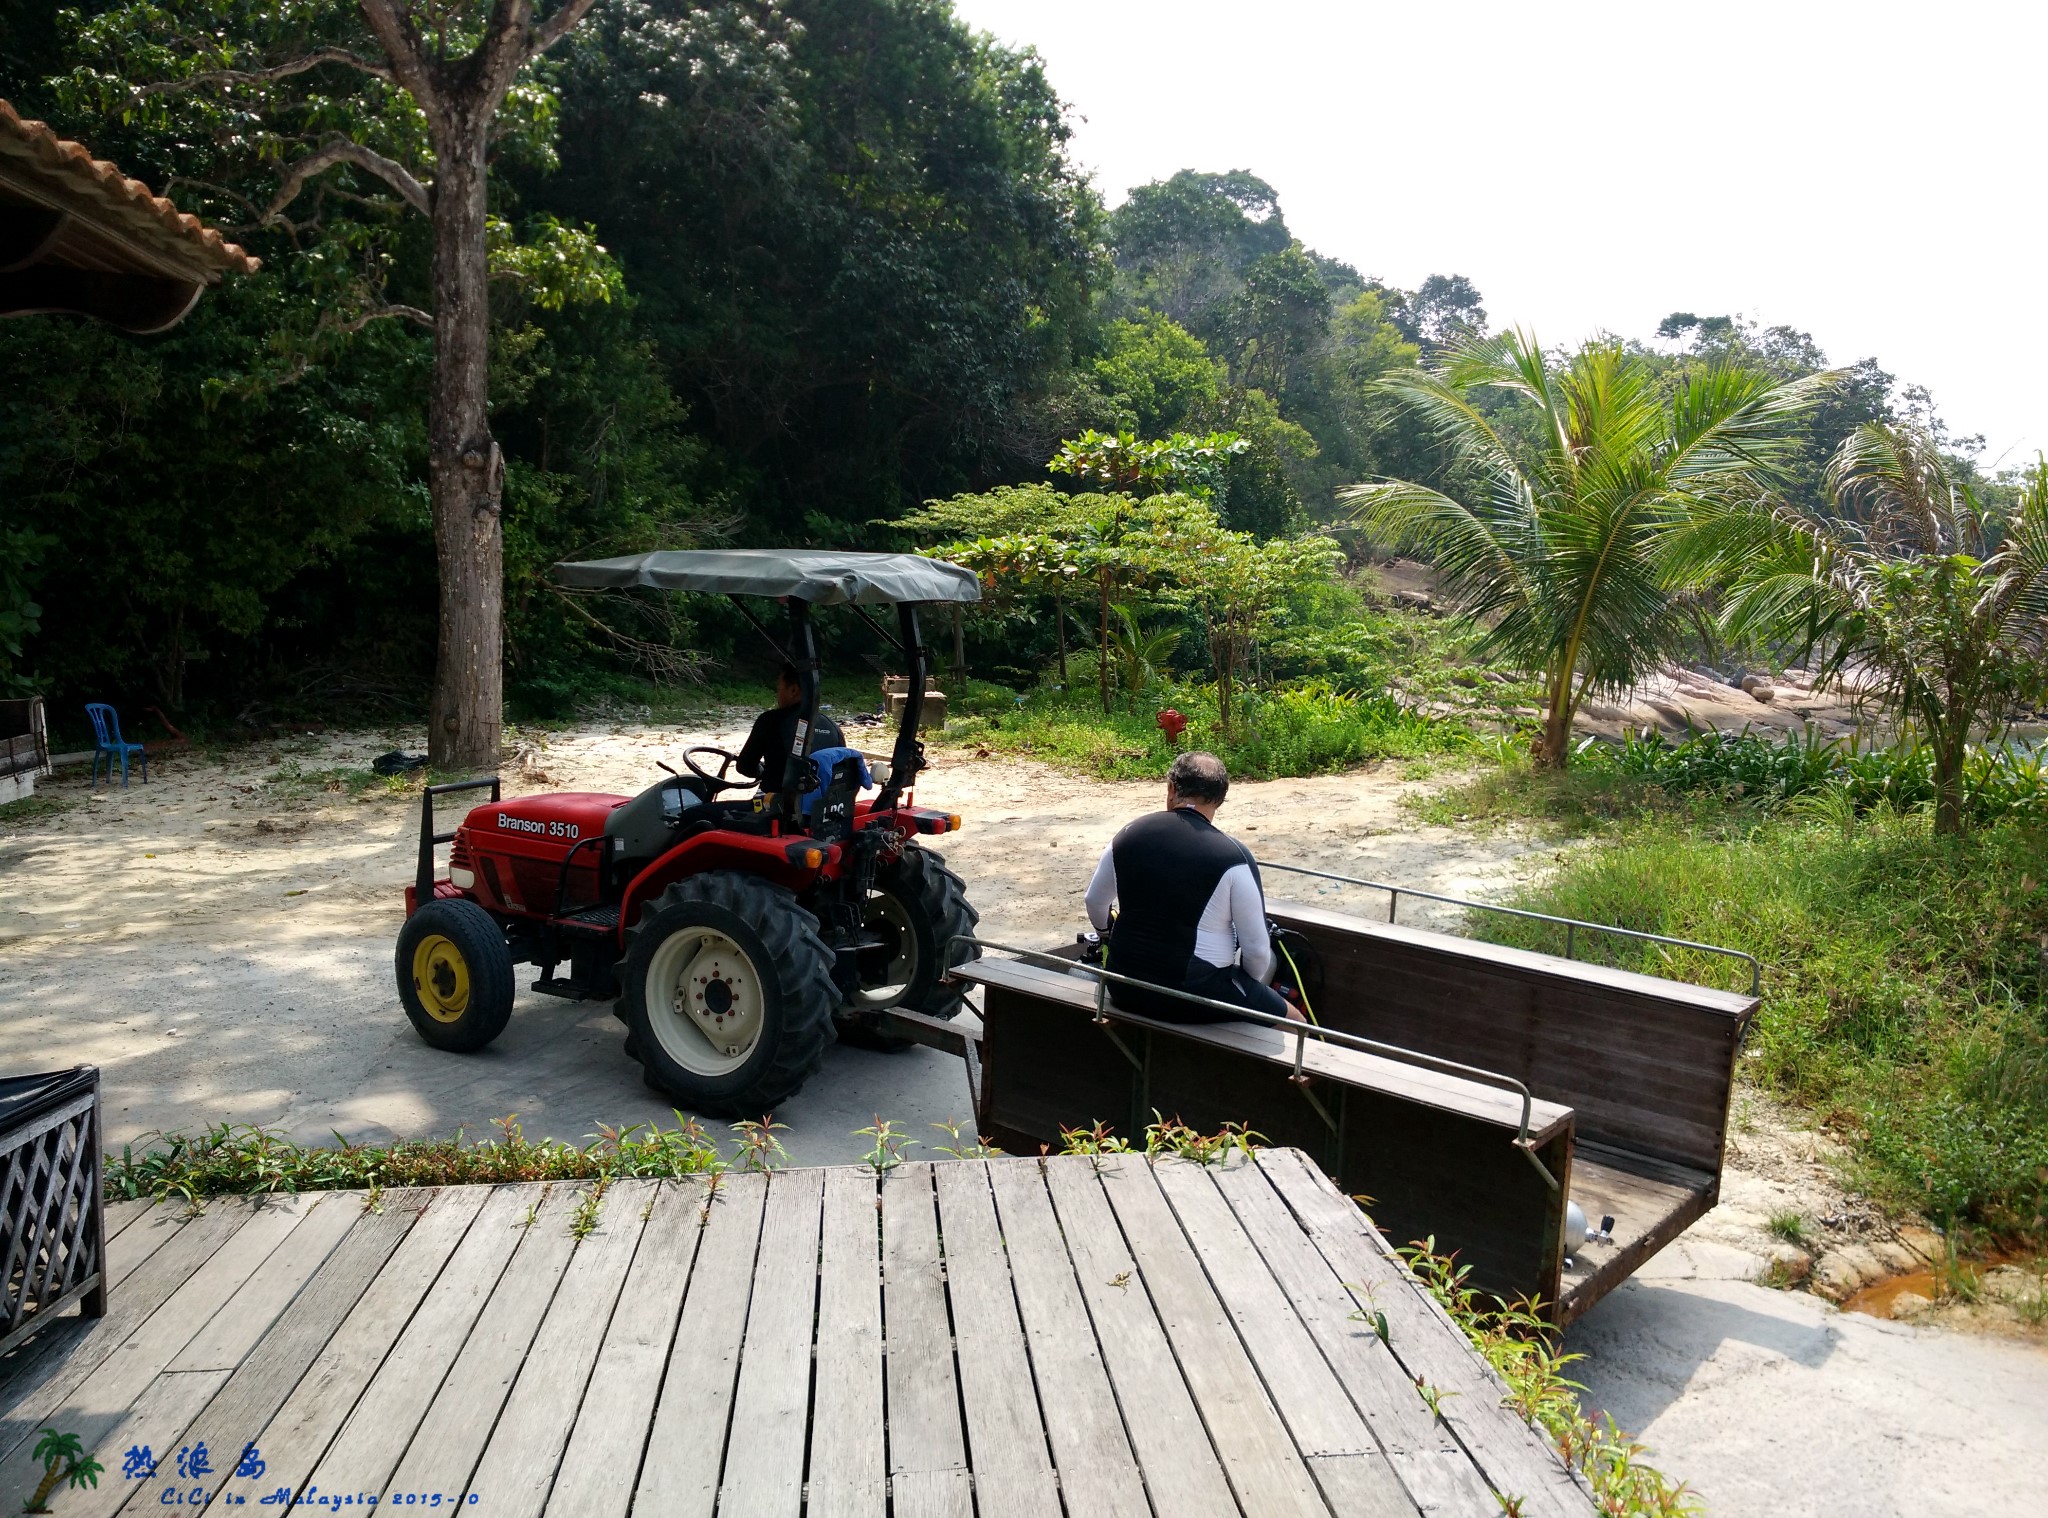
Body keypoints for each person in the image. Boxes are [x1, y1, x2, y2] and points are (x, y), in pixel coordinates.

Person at [1083, 750, 1301, 1024]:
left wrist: (1106, 934)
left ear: (1171, 788)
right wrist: (1247, 987)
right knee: (1296, 1023)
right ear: (1220, 799)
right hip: (1192, 996)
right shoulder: (1233, 856)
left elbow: (1094, 902)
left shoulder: (1129, 834)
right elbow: (1257, 950)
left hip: (1123, 986)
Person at [735, 662, 844, 787]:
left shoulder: (770, 721)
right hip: (821, 804)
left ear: (793, 690)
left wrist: (762, 770)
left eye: (779, 689)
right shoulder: (833, 727)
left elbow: (745, 766)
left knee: (710, 808)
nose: (778, 695)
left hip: (777, 804)